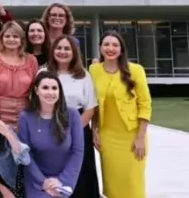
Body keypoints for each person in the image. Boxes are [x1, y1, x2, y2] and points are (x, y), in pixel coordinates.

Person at [89, 31, 152, 198]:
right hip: (107, 137)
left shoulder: (136, 70)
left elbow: (145, 104)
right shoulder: (94, 70)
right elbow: (94, 104)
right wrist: (94, 129)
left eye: (115, 45)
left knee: (133, 182)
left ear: (121, 49)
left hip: (132, 136)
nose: (110, 48)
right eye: (106, 44)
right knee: (112, 184)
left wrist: (140, 137)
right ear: (100, 48)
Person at [40, 35, 100, 197]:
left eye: (67, 48)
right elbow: (36, 103)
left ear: (74, 52)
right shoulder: (44, 72)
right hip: (49, 128)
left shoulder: (83, 75)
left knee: (81, 176)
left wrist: (72, 132)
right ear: (53, 51)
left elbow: (90, 108)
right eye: (59, 48)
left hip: (79, 129)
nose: (63, 52)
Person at [18, 71, 83, 198]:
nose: (50, 92)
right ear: (36, 90)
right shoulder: (25, 117)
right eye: (45, 88)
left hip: (64, 180)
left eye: (54, 88)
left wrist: (62, 181)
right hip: (36, 181)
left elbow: (78, 152)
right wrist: (44, 181)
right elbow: (26, 154)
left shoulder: (72, 115)